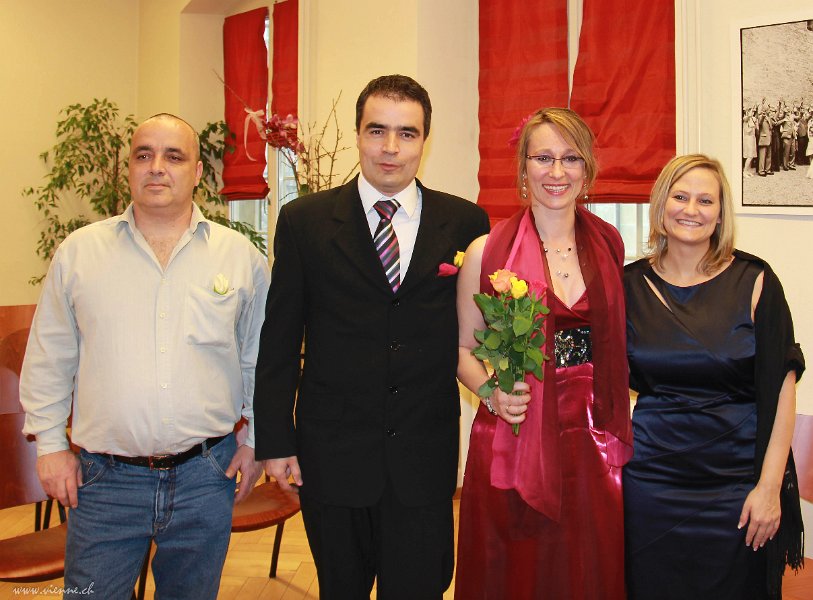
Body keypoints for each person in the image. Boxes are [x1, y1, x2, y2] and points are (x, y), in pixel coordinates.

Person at [253, 74, 490, 599]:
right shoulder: (305, 221)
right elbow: (280, 339)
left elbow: (477, 331)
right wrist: (275, 440)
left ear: (425, 140)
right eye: (377, 130)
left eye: (407, 133)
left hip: (423, 457)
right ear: (358, 133)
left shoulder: (465, 222)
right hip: (332, 455)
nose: (390, 147)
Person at [20, 113, 270, 600]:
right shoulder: (79, 254)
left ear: (198, 172)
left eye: (173, 156)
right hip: (104, 482)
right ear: (130, 167)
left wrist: (257, 438)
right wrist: (49, 447)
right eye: (143, 155)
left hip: (206, 476)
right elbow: (50, 357)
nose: (157, 167)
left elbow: (258, 359)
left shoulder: (240, 258)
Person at [454, 107, 633, 599]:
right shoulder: (486, 251)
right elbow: (463, 349)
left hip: (592, 434)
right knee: (518, 568)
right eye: (544, 158)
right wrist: (491, 394)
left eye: (571, 158)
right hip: (515, 428)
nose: (557, 172)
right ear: (523, 168)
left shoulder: (610, 243)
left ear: (587, 169)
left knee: (585, 567)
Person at [623, 154, 804, 599]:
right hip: (651, 484)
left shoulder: (756, 280)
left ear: (721, 214)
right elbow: (588, 366)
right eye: (680, 197)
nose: (692, 209)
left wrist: (769, 487)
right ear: (661, 205)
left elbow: (782, 389)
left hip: (737, 486)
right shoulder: (626, 284)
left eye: (706, 200)